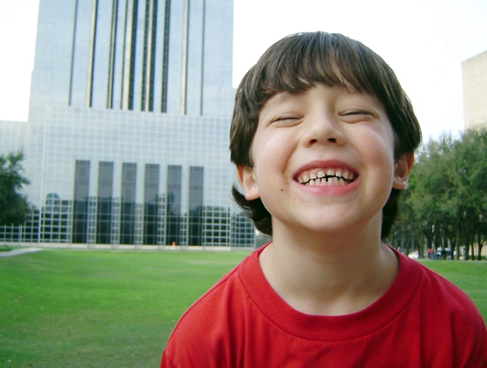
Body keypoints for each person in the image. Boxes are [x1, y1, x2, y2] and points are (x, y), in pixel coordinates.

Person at [160, 31, 487, 367]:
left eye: (355, 112)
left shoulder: (456, 326)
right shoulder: (204, 340)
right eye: (287, 117)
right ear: (249, 176)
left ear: (400, 165)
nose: (321, 128)